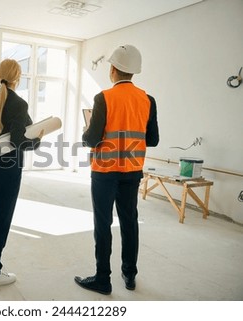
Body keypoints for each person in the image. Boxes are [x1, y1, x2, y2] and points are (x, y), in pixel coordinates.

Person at [76, 45, 159, 295]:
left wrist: (86, 131)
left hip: (104, 171)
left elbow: (91, 139)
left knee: (103, 223)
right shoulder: (147, 100)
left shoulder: (104, 98)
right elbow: (152, 139)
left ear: (113, 69)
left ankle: (103, 278)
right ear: (133, 72)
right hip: (132, 171)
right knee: (129, 221)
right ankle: (129, 275)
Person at [0, 58, 42, 287]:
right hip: (7, 167)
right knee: (2, 216)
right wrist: (37, 138)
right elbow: (20, 142)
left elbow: (6, 130)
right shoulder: (19, 103)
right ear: (18, 77)